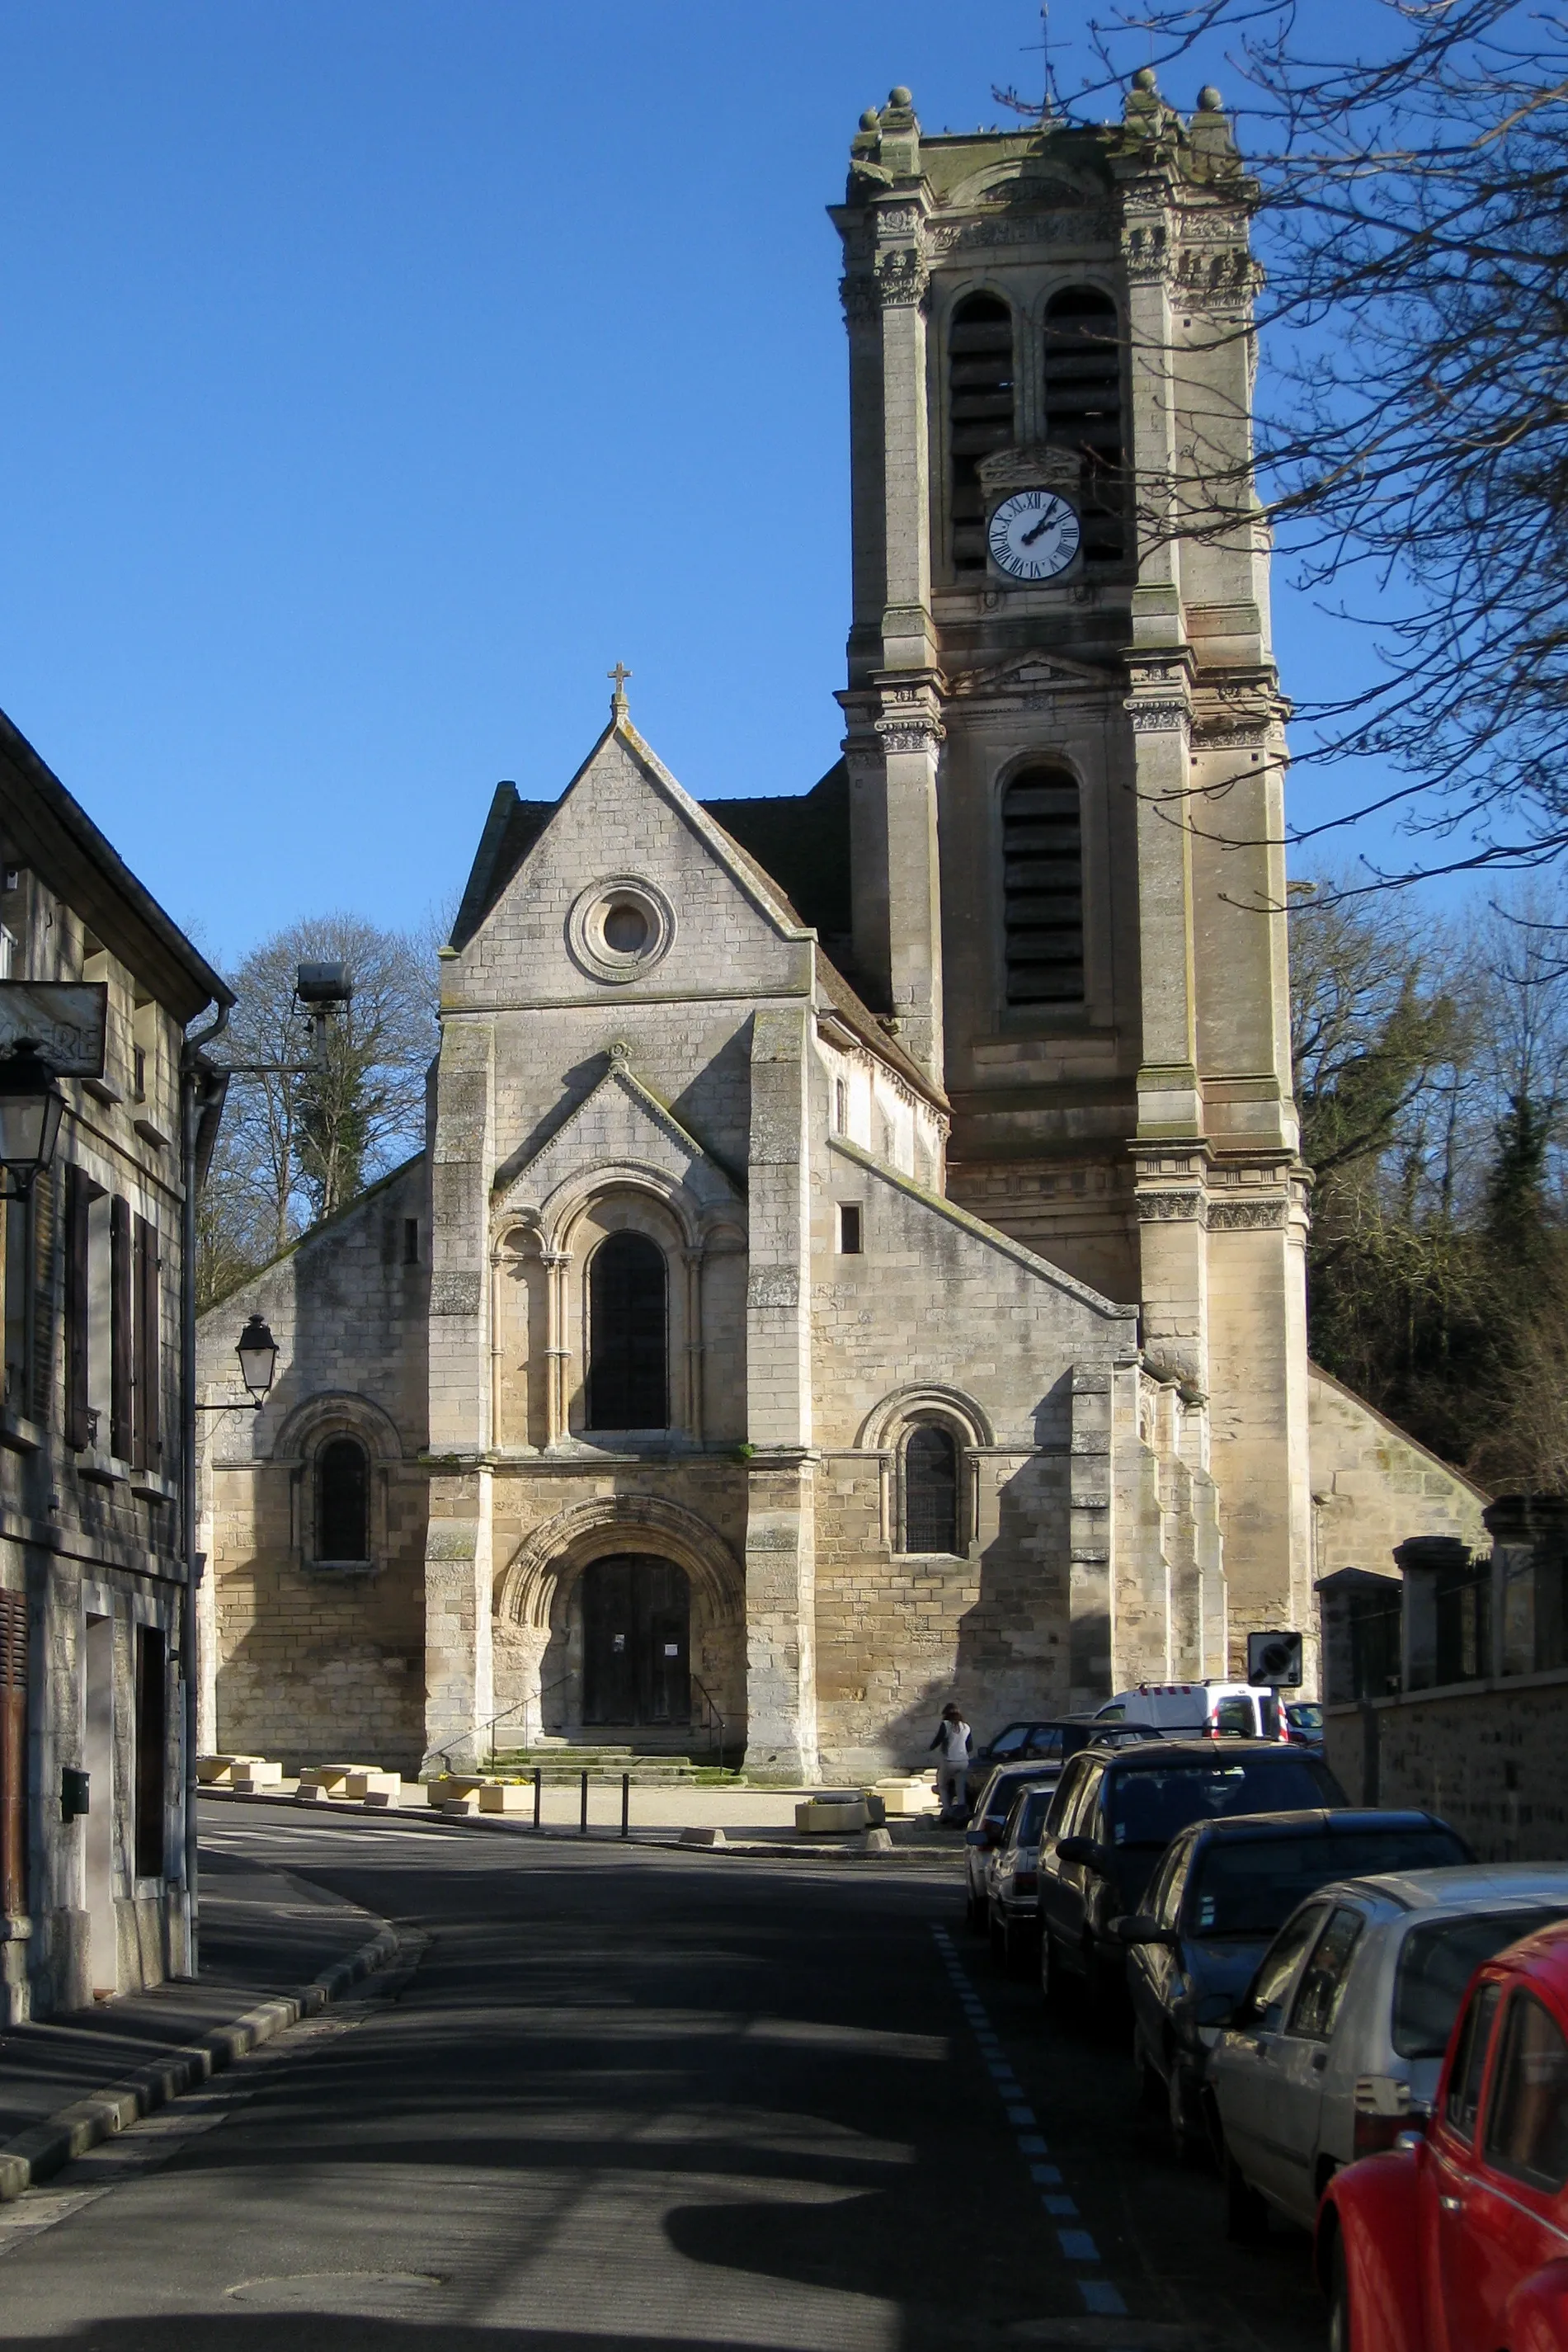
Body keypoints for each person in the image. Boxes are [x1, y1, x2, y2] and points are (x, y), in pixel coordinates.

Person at [930, 1704, 972, 1817]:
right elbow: (970, 1747)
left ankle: (947, 1810)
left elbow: (938, 1740)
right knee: (960, 1787)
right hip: (963, 1761)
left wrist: (930, 1748)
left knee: (942, 1785)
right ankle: (962, 1810)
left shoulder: (946, 1725)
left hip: (949, 1761)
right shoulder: (966, 1727)